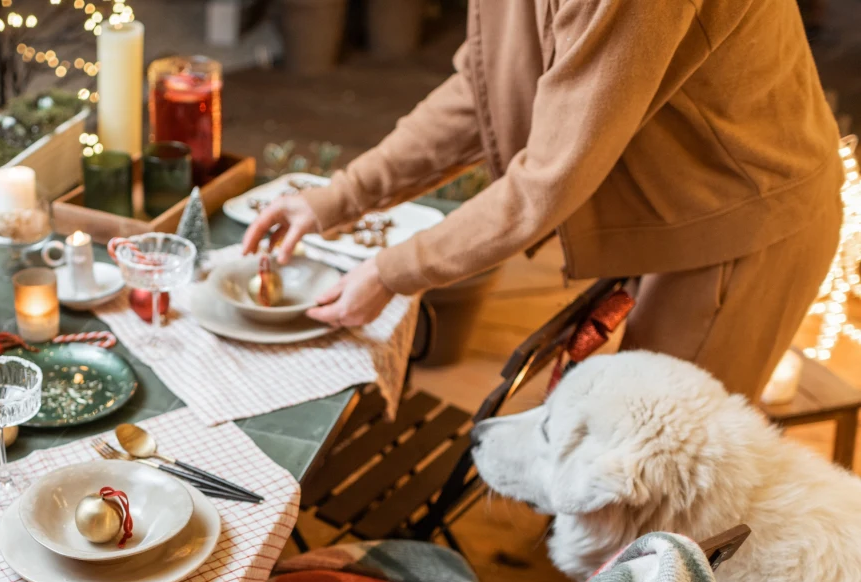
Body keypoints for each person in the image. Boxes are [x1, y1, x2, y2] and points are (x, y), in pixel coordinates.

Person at [243, 0, 844, 398]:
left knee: (662, 486)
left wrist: (394, 269)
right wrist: (337, 197)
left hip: (745, 217)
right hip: (676, 204)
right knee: (626, 459)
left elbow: (554, 175)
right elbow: (480, 91)